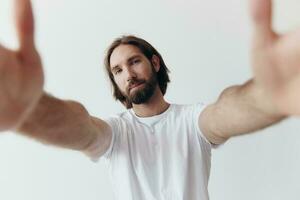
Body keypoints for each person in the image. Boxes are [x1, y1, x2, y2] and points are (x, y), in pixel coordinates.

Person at [0, 0, 298, 199]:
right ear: (115, 81)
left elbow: (225, 111)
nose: (128, 74)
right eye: (117, 70)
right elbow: (81, 128)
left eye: (134, 62)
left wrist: (267, 98)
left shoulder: (192, 122)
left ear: (154, 63)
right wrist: (31, 110)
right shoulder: (116, 133)